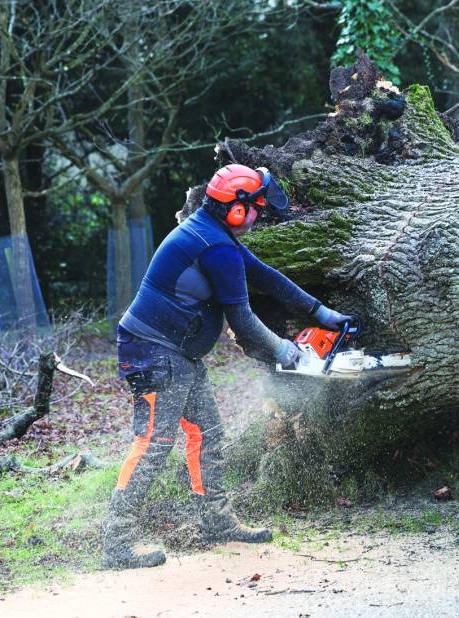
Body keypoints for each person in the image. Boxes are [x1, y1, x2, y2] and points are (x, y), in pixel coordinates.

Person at [103, 163, 352, 570]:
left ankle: (216, 522)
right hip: (153, 350)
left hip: (179, 353)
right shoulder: (215, 246)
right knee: (153, 442)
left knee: (208, 434)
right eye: (255, 207)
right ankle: (117, 542)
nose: (258, 215)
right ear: (236, 210)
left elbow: (266, 277)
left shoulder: (214, 233)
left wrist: (321, 313)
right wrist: (288, 352)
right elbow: (244, 322)